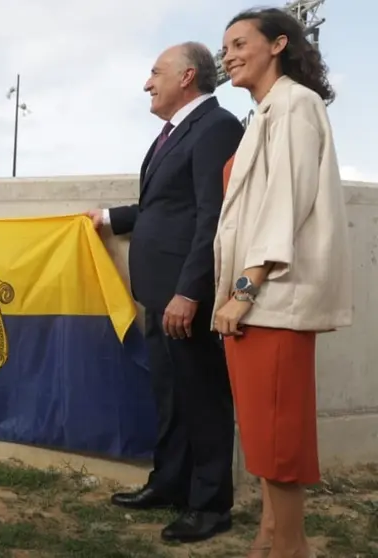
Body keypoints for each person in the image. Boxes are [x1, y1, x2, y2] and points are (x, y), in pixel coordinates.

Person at [85, 42, 244, 543]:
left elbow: (211, 215)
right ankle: (170, 483)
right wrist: (110, 219)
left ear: (187, 77)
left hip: (184, 296)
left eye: (155, 73)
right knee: (172, 396)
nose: (147, 84)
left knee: (203, 398)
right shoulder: (174, 134)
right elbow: (162, 204)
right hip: (159, 292)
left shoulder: (218, 128)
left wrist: (190, 292)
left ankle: (211, 505)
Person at [215, 8, 351, 558]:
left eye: (239, 43)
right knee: (264, 434)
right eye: (223, 47)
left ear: (278, 44)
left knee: (278, 437)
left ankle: (292, 549)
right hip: (257, 302)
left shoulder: (295, 103)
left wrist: (243, 289)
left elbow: (286, 204)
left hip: (268, 299)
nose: (228, 55)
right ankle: (269, 537)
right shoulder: (266, 111)